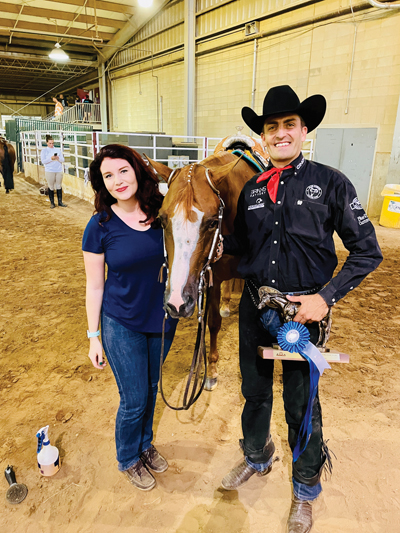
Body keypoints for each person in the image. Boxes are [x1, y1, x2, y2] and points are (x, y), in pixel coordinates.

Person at [218, 85, 383, 533]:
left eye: (289, 124)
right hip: (256, 305)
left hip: (304, 312)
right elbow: (242, 247)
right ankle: (256, 455)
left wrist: (324, 298)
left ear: (304, 130)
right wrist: (206, 231)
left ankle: (306, 489)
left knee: (301, 403)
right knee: (254, 391)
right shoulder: (251, 189)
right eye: (272, 127)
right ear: (264, 137)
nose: (280, 134)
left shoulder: (332, 183)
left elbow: (367, 251)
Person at [82, 144, 177, 491]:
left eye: (123, 170)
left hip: (162, 320)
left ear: (136, 169)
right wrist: (94, 336)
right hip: (121, 322)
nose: (117, 181)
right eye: (108, 175)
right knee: (134, 397)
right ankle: (127, 457)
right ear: (101, 183)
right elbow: (94, 286)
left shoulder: (163, 212)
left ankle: (145, 445)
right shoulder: (100, 225)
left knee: (152, 388)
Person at [40, 135, 67, 208]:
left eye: (52, 143)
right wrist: (51, 158)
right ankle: (52, 202)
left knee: (59, 185)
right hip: (49, 170)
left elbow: (63, 160)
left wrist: (57, 158)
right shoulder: (44, 151)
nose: (51, 145)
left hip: (58, 170)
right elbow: (43, 161)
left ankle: (60, 202)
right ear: (47, 143)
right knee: (51, 186)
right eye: (50, 143)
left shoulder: (57, 150)